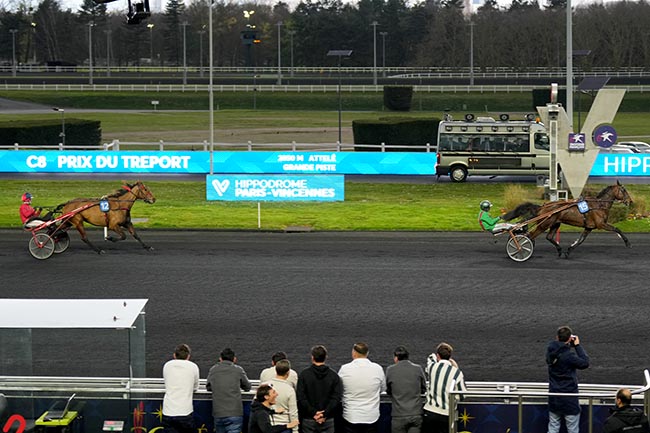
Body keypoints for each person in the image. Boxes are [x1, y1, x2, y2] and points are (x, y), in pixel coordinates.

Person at [546, 326, 590, 433]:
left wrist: (566, 345)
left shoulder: (550, 352)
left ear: (557, 337)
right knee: (572, 429)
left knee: (553, 427)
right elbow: (585, 363)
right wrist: (577, 346)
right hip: (569, 398)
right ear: (570, 338)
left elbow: (559, 351)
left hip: (554, 396)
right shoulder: (569, 356)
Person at [338, 342, 386, 433]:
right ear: (367, 353)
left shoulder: (345, 369)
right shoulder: (377, 369)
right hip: (371, 417)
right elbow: (383, 389)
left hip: (351, 416)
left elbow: (339, 389)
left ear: (354, 353)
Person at [296, 345, 342, 433]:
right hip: (328, 419)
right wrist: (324, 414)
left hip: (309, 418)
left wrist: (314, 413)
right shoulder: (333, 376)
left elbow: (301, 397)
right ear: (326, 357)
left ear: (312, 357)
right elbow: (336, 397)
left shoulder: (304, 375)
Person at [423, 342, 467, 433]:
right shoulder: (457, 373)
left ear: (438, 355)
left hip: (430, 412)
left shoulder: (432, 367)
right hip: (446, 414)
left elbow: (430, 357)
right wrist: (455, 366)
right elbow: (462, 395)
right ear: (450, 357)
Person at [206, 348, 252, 433]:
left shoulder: (213, 370)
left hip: (218, 413)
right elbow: (247, 387)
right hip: (234, 413)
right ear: (234, 359)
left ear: (220, 358)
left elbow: (208, 387)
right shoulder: (238, 370)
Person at [385, 346, 427, 433]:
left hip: (398, 415)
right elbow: (423, 388)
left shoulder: (390, 370)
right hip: (415, 414)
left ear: (396, 358)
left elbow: (388, 389)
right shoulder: (418, 368)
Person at [162, 344, 200, 433]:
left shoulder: (167, 365)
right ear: (188, 356)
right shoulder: (193, 367)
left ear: (174, 355)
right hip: (185, 412)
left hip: (168, 412)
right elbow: (195, 387)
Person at [265, 359, 299, 433]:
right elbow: (293, 413)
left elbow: (257, 407)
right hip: (284, 426)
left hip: (268, 425)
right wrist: (295, 431)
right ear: (288, 373)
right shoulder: (289, 390)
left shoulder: (265, 386)